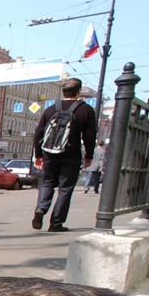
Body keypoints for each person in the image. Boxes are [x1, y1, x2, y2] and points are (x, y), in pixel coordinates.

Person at [31, 77, 97, 232]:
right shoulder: (85, 110)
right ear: (79, 91)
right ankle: (56, 224)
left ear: (63, 91)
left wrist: (38, 155)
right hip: (71, 156)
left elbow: (38, 133)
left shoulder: (51, 109)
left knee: (47, 183)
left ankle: (41, 208)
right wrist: (89, 155)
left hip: (49, 155)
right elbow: (89, 135)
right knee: (65, 189)